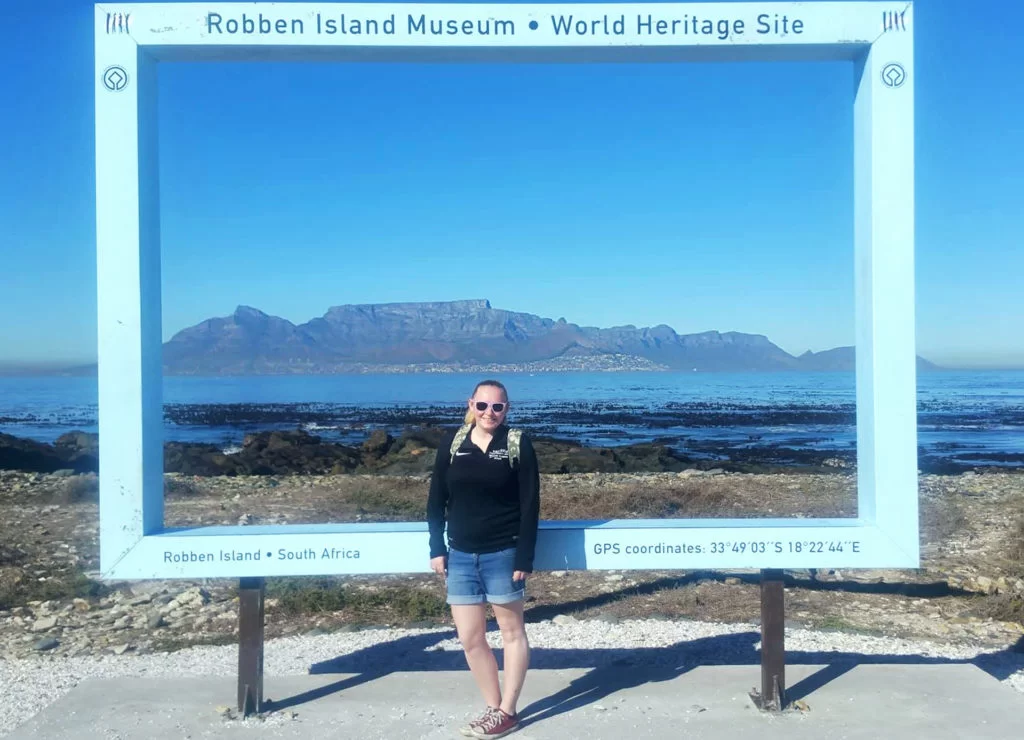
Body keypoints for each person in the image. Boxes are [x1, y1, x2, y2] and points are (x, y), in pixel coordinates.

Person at [427, 379, 540, 739]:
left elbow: (530, 505)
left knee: (511, 633)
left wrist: (524, 556)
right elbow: (435, 500)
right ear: (471, 404)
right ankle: (493, 709)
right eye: (483, 406)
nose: (489, 413)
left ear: (508, 409)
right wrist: (436, 547)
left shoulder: (517, 444)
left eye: (497, 407)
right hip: (460, 555)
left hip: (503, 553)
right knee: (471, 639)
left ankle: (509, 711)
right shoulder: (453, 442)